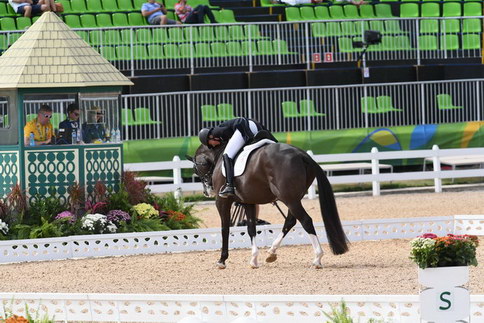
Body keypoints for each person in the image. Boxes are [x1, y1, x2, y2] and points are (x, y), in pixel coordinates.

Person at [198, 118, 272, 198]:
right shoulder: (219, 133)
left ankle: (229, 185)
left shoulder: (217, 132)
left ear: (211, 136)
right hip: (254, 124)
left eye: (210, 144)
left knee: (227, 155)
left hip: (243, 126)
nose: (213, 146)